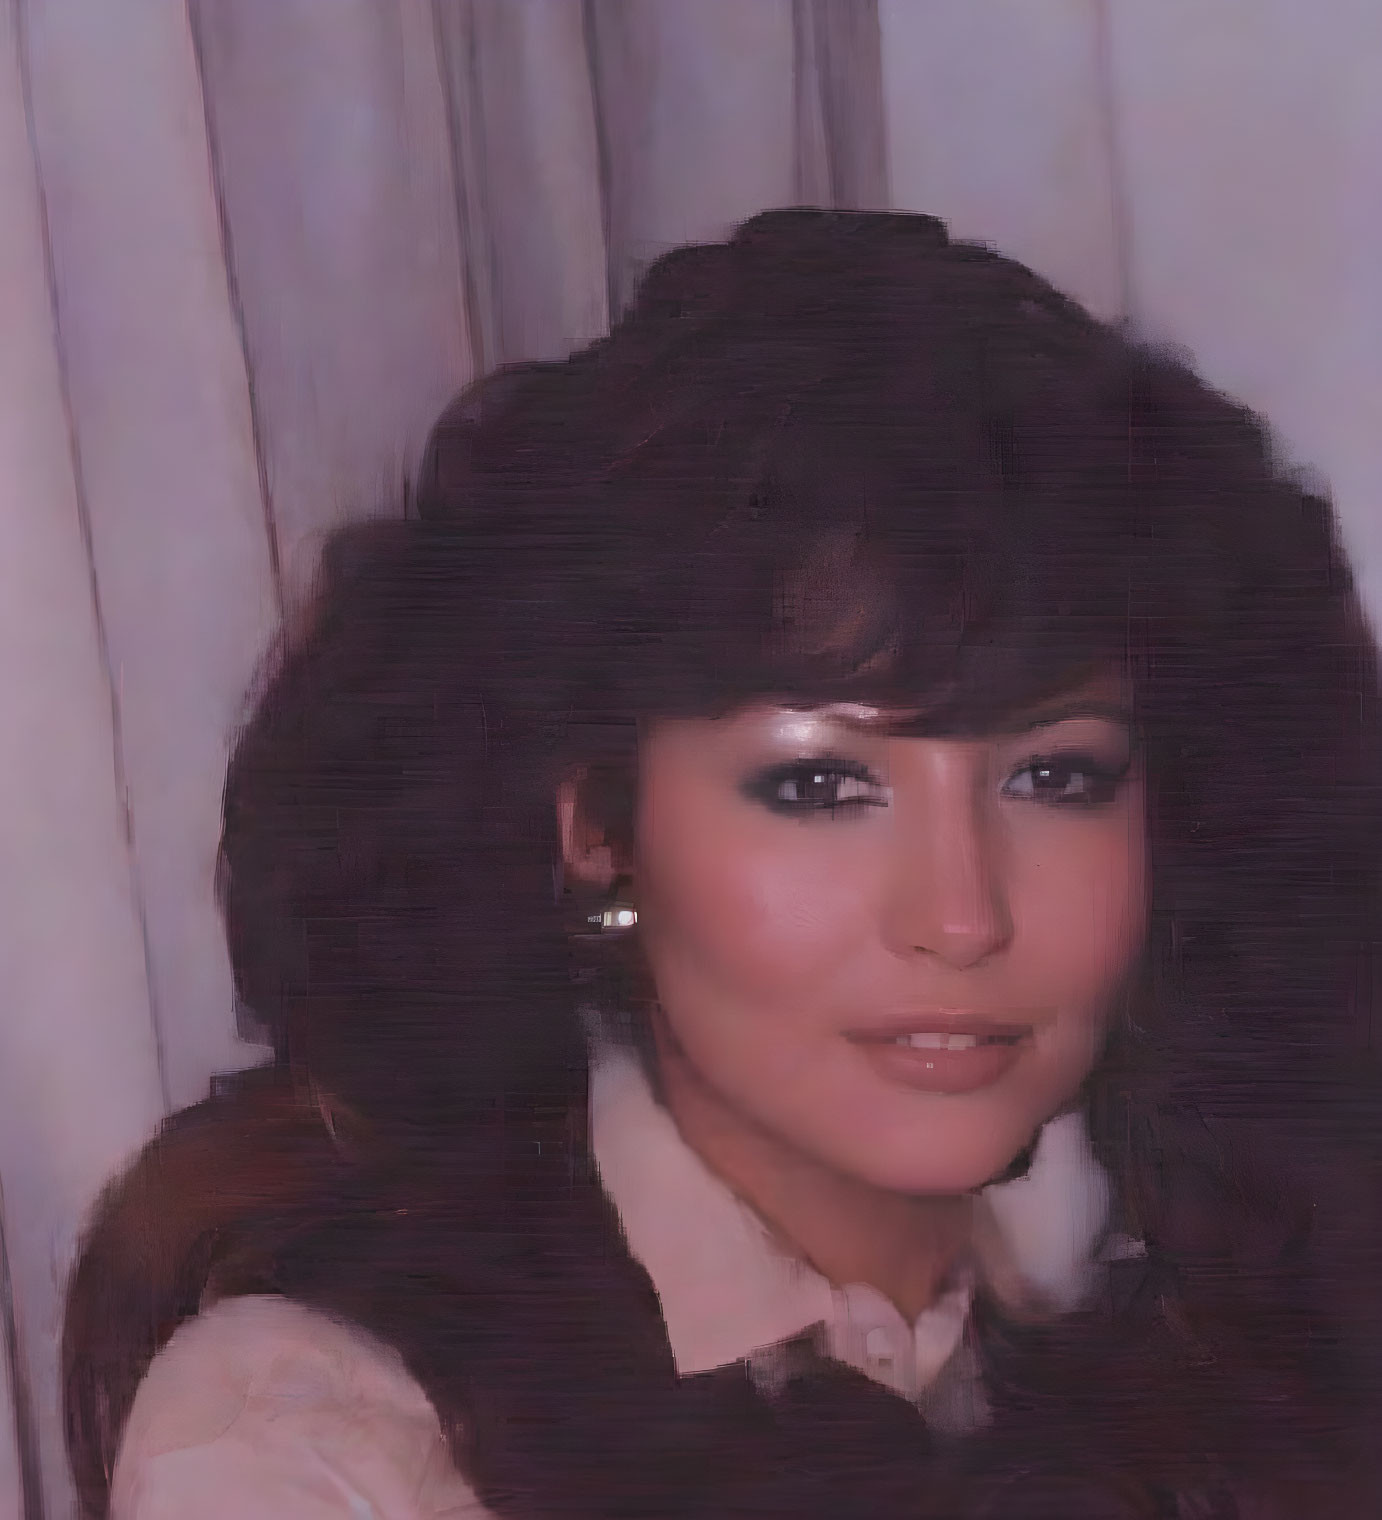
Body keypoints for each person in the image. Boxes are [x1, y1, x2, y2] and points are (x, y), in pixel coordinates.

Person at [62, 209, 1382, 1518]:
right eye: (817, 786)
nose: (961, 915)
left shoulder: (1231, 1354)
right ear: (593, 826)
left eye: (1054, 777)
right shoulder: (336, 1429)